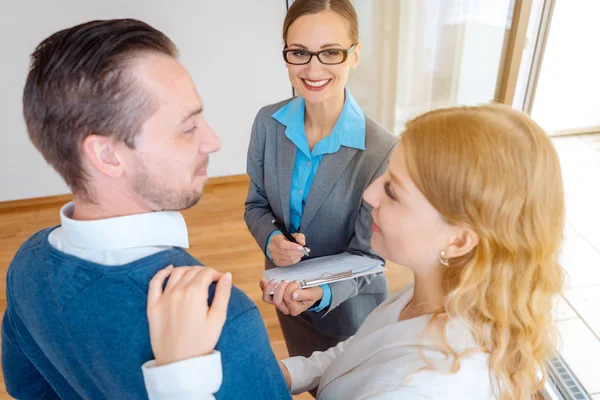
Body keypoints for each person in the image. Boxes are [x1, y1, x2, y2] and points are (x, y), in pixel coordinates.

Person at [145, 103, 565, 400]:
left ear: (458, 240)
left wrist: (182, 381)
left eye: (393, 191)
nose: (368, 194)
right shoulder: (435, 291)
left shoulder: (424, 389)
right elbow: (356, 352)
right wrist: (285, 372)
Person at [1, 19, 290, 400]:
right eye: (188, 127)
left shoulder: (27, 263)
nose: (213, 141)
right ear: (107, 155)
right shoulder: (219, 318)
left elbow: (30, 390)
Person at [245, 0, 396, 361]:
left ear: (354, 56)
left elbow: (369, 256)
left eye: (330, 52)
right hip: (288, 298)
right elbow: (255, 204)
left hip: (351, 313)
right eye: (300, 52)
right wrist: (271, 240)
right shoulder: (268, 123)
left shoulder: (381, 149)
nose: (313, 68)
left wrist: (321, 293)